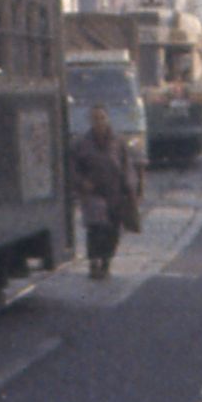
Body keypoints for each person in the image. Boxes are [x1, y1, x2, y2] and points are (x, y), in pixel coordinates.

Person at [69, 105, 141, 280]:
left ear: (107, 119)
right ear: (90, 121)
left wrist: (130, 188)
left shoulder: (118, 142)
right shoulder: (82, 144)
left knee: (112, 230)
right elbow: (72, 168)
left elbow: (127, 166)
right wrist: (81, 182)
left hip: (114, 193)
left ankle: (106, 262)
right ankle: (94, 262)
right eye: (95, 118)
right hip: (93, 193)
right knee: (95, 228)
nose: (99, 122)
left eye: (102, 118)